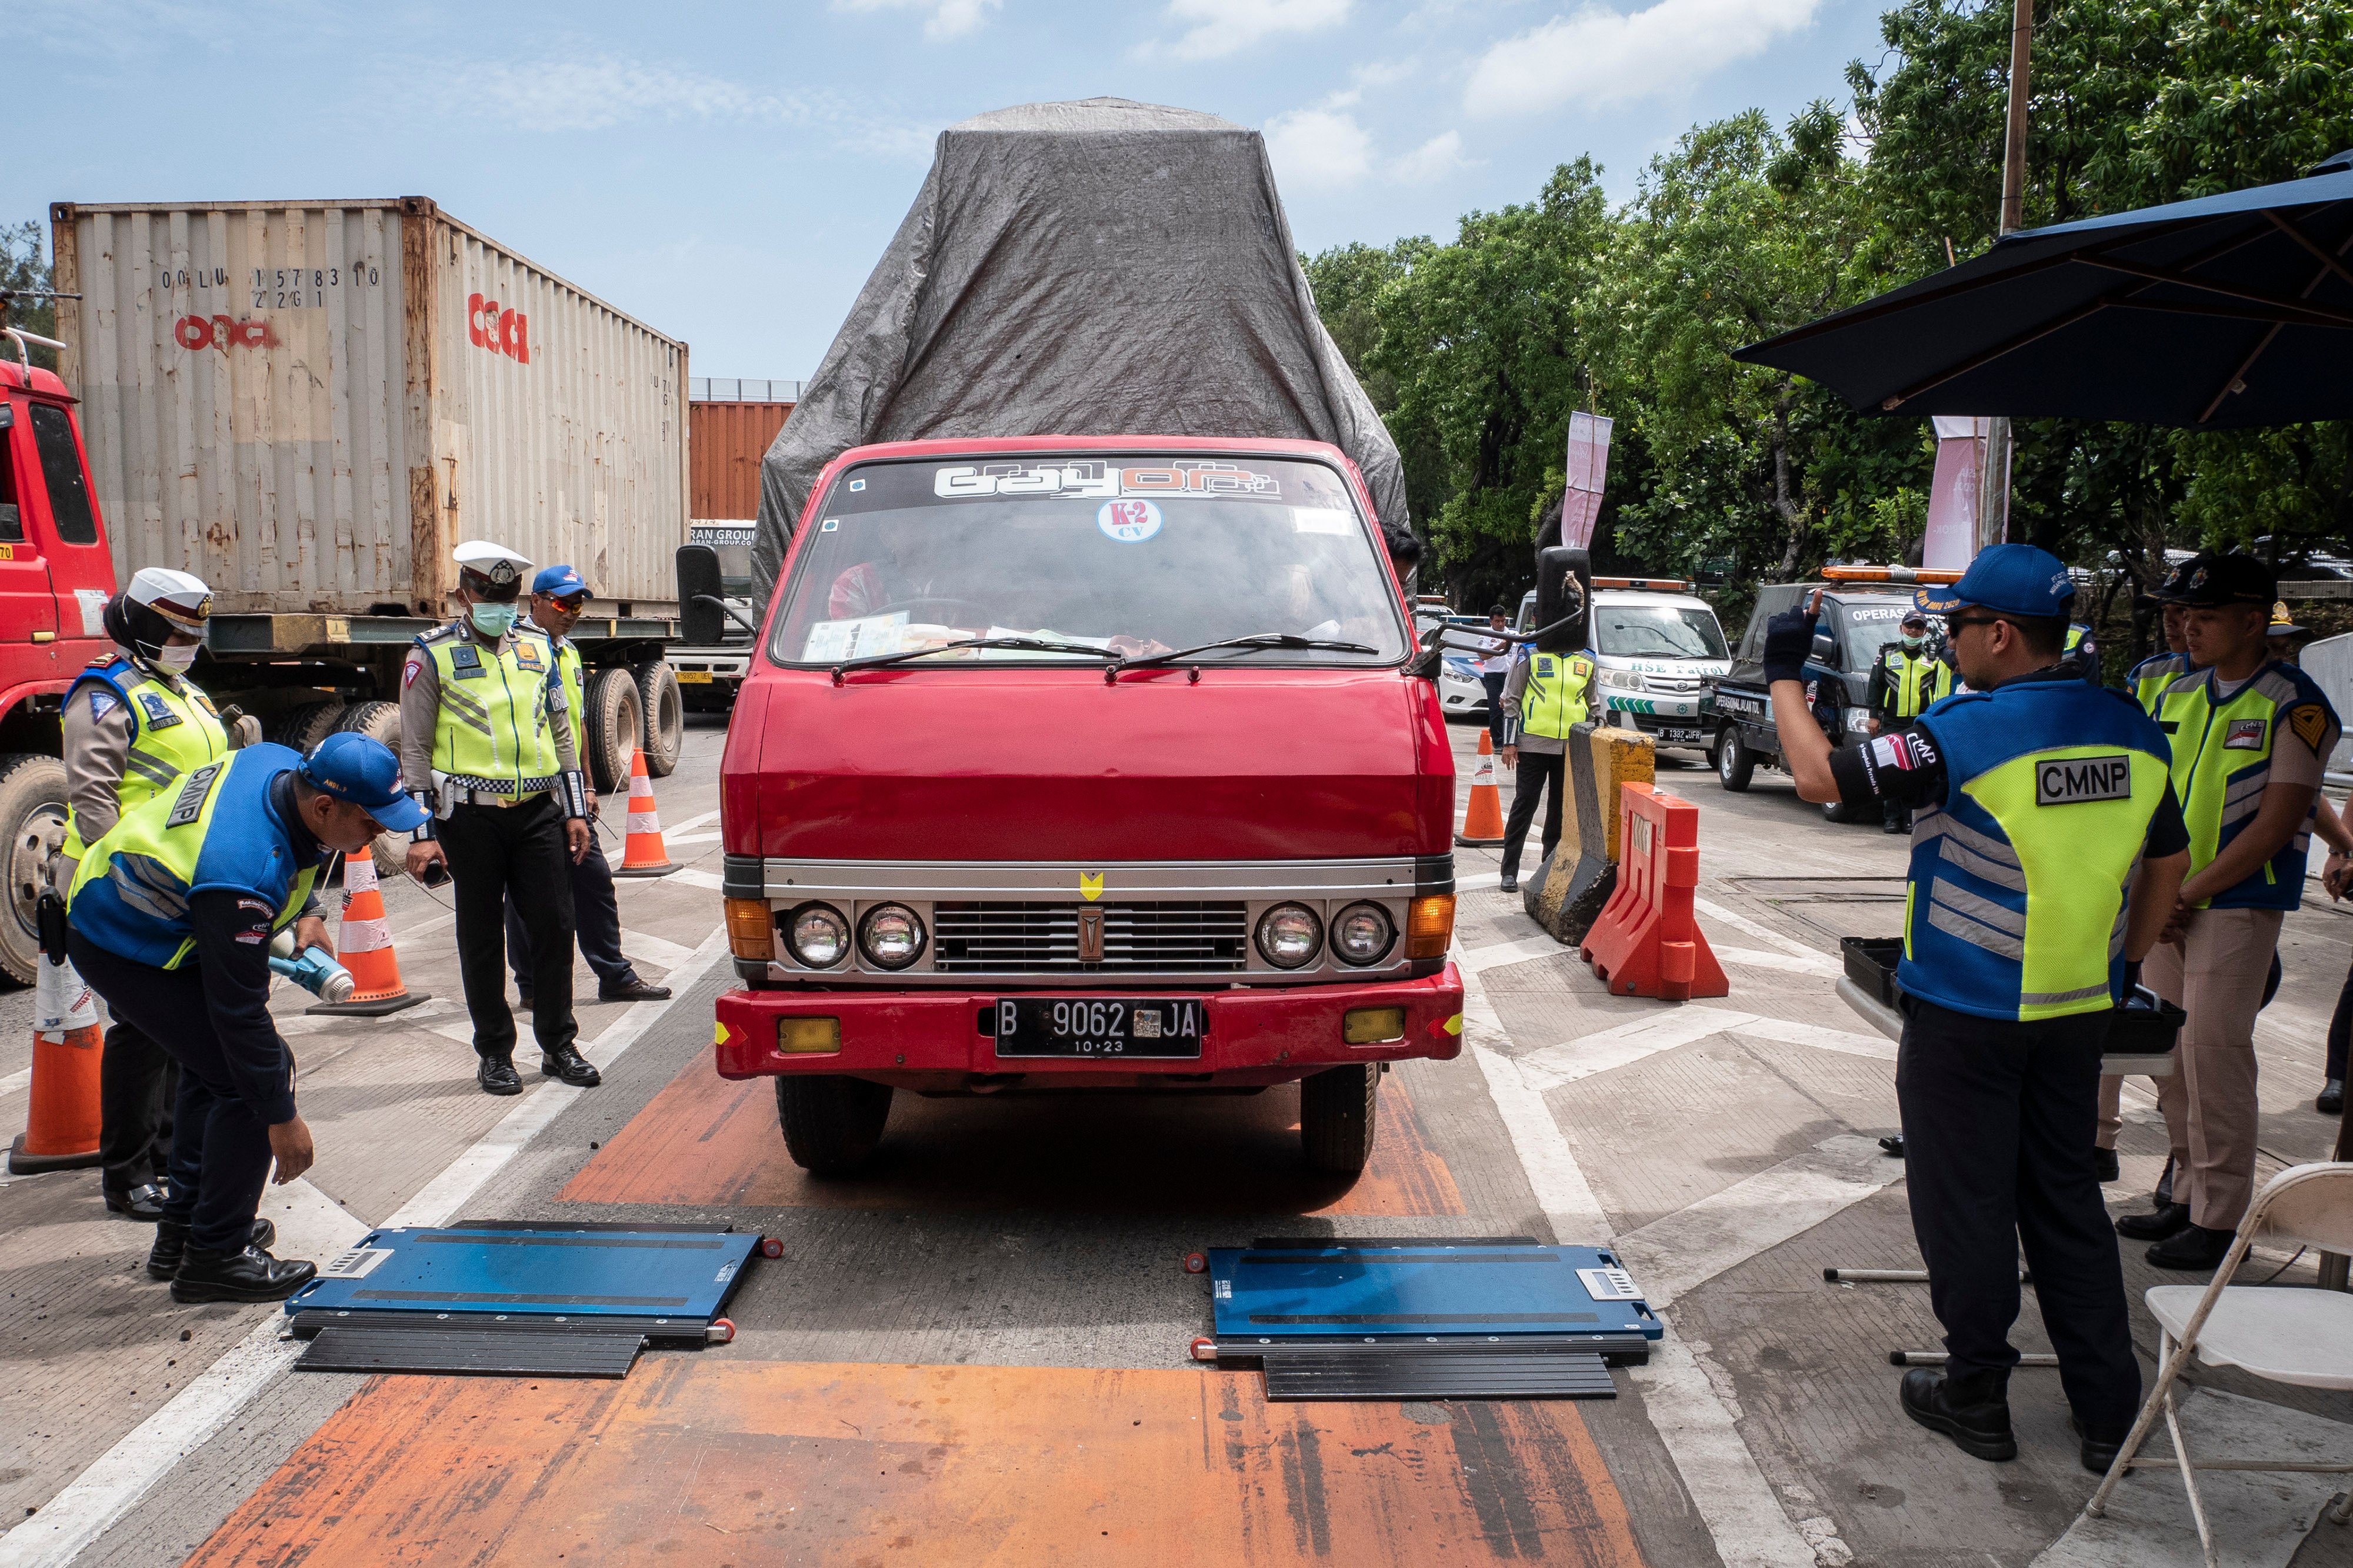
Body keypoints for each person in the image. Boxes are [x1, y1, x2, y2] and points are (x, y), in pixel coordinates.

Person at [1762, 543, 2189, 1475]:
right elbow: (2169, 863)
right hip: (2078, 1011)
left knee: (1968, 1208)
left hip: (1967, 1014)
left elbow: (1820, 777)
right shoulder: (2134, 730)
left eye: (1957, 626)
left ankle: (1978, 1395)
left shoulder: (1961, 733)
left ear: (1999, 634)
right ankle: (2108, 1411)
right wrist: (2123, 964)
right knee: (2068, 1202)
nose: (1947, 642)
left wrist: (1785, 672)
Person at [65, 733, 423, 1302]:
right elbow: (239, 1015)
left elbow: (295, 843)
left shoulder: (278, 764)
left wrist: (307, 909)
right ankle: (217, 1256)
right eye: (371, 822)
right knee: (251, 1076)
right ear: (324, 806)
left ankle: (187, 1231)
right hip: (123, 942)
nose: (378, 833)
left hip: (138, 908)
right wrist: (282, 1119)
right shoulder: (241, 873)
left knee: (215, 1072)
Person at [2118, 554, 2340, 1270]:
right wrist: (2154, 889)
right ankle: (2185, 1193)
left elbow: (2276, 823)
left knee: (2213, 1056)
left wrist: (2183, 893)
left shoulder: (2294, 705)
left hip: (2236, 903)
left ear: (2252, 621)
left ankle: (2218, 1219)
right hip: (2168, 901)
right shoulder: (2178, 690)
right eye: (2185, 614)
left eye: (2206, 616)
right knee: (2170, 1060)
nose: (2188, 627)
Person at [58, 569, 265, 1224]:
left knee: (183, 1031)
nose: (187, 645)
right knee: (141, 1033)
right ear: (141, 626)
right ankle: (126, 1174)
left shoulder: (189, 694)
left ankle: (175, 1161)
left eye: (195, 635)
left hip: (181, 884)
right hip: (121, 888)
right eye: (176, 634)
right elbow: (93, 799)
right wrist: (131, 880)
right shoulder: (105, 694)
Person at [399, 541, 599, 1097]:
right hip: (469, 819)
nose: (499, 608)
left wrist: (575, 810)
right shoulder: (431, 654)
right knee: (482, 937)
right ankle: (494, 1053)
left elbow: (560, 732)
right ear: (465, 595)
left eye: (508, 599)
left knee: (555, 927)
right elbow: (414, 750)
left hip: (538, 812)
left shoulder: (538, 649)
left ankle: (559, 1044)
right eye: (489, 598)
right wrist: (422, 834)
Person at [505, 565, 671, 1008]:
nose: (571, 613)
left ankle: (614, 976)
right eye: (563, 603)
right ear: (535, 601)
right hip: (530, 794)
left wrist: (588, 787)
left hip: (569, 794)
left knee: (594, 883)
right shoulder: (514, 650)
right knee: (524, 897)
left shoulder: (570, 654)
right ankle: (531, 987)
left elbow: (575, 726)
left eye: (578, 605)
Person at [1496, 640, 1596, 895]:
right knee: (1525, 805)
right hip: (1533, 744)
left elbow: (1592, 704)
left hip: (1571, 746)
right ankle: (1509, 871)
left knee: (1559, 810)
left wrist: (1591, 741)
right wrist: (1509, 743)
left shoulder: (1587, 658)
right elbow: (1512, 698)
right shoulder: (1530, 652)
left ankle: (1549, 870)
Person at [1865, 609, 1940, 834]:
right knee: (1891, 770)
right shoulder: (1888, 653)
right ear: (1901, 628)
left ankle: (1909, 819)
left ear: (1925, 631)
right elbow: (1875, 684)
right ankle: (1891, 818)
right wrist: (1873, 716)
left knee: (1914, 771)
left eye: (1919, 627)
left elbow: (1939, 685)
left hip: (1920, 723)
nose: (1913, 631)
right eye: (1910, 626)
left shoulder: (1933, 657)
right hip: (1892, 721)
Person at [1477, 605, 1515, 751]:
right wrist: (1499, 647)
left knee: (1512, 708)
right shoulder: (1485, 636)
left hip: (1510, 675)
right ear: (1491, 621)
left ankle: (1511, 740)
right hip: (1493, 676)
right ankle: (1498, 742)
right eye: (1497, 621)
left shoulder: (1513, 634)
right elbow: (1483, 655)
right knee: (1496, 709)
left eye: (1503, 621)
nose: (1501, 624)